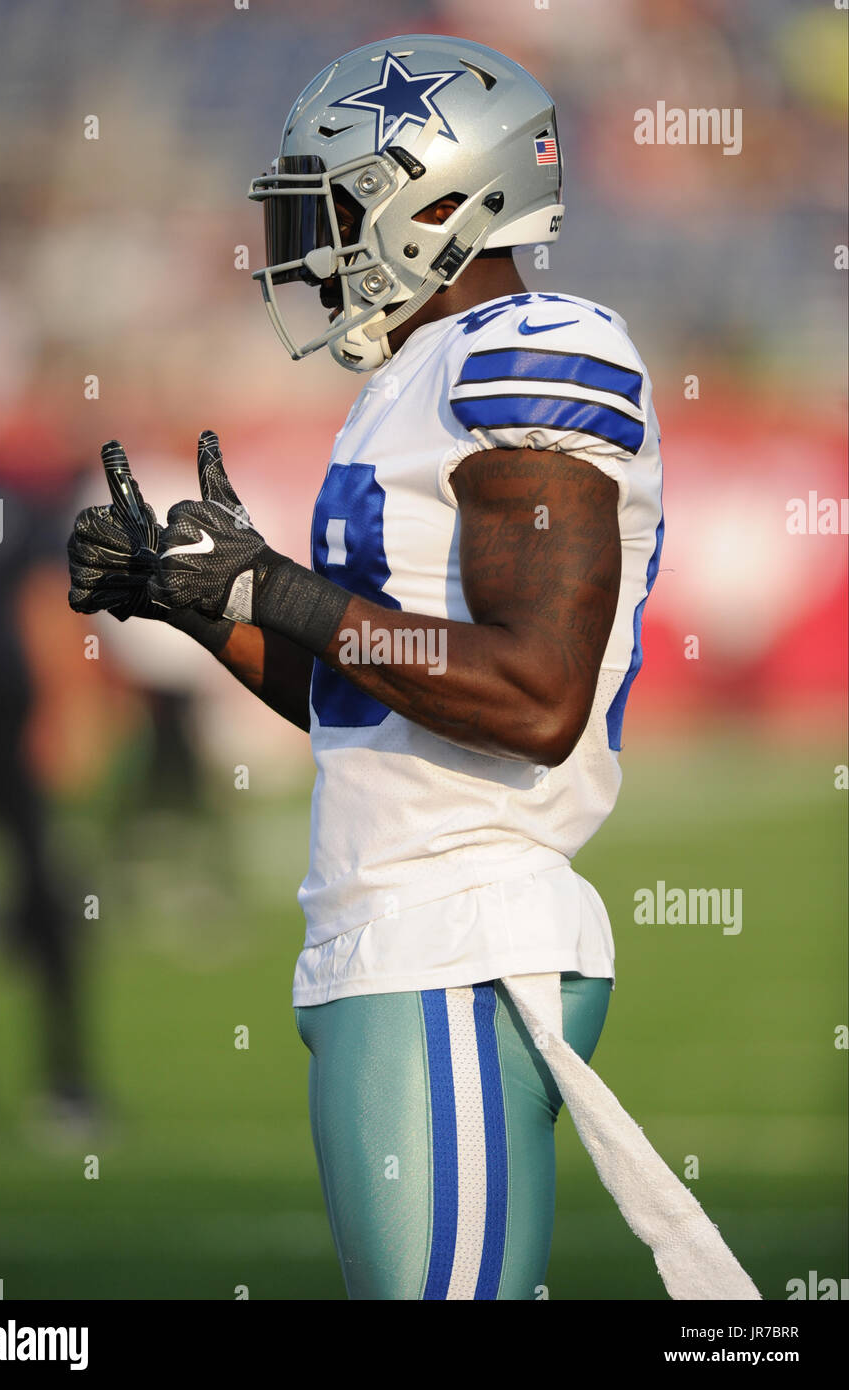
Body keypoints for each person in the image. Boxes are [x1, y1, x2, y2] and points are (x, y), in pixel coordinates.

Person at [68, 35, 664, 1299]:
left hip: (457, 930)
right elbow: (362, 699)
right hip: (389, 928)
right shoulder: (414, 376)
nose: (304, 245)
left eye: (331, 205)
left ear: (441, 200)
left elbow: (535, 697)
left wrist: (286, 589)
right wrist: (204, 607)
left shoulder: (535, 346)